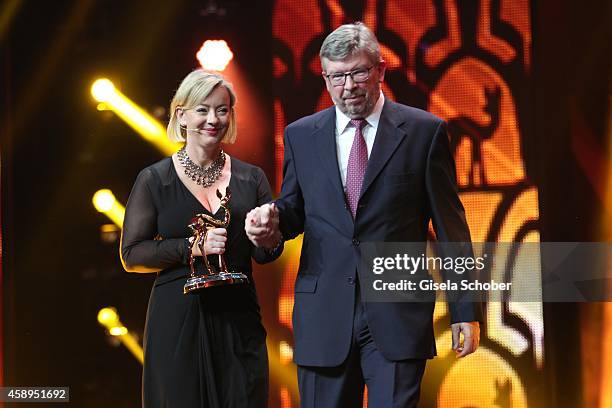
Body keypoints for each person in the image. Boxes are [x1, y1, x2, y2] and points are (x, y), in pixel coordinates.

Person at [245, 23, 482, 407]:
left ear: (380, 70)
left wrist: (465, 310)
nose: (348, 85)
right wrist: (267, 228)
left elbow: (451, 228)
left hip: (397, 313)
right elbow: (293, 212)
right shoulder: (301, 136)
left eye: (358, 72)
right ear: (325, 78)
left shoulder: (425, 132)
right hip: (324, 315)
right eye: (337, 76)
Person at [121, 69, 281, 408]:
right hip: (178, 318)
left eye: (222, 110)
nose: (214, 119)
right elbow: (132, 254)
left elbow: (268, 254)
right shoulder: (155, 179)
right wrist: (191, 247)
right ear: (182, 114)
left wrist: (268, 237)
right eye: (203, 109)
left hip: (238, 318)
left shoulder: (252, 178)